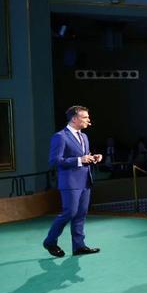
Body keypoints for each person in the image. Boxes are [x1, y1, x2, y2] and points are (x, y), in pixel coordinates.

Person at [43, 105, 101, 257]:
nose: (88, 120)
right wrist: (79, 160)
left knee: (81, 214)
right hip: (70, 182)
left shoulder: (84, 137)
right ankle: (50, 241)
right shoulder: (60, 136)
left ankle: (79, 246)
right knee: (70, 212)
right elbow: (54, 161)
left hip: (85, 180)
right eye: (85, 117)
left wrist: (92, 158)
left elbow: (83, 157)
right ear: (74, 119)